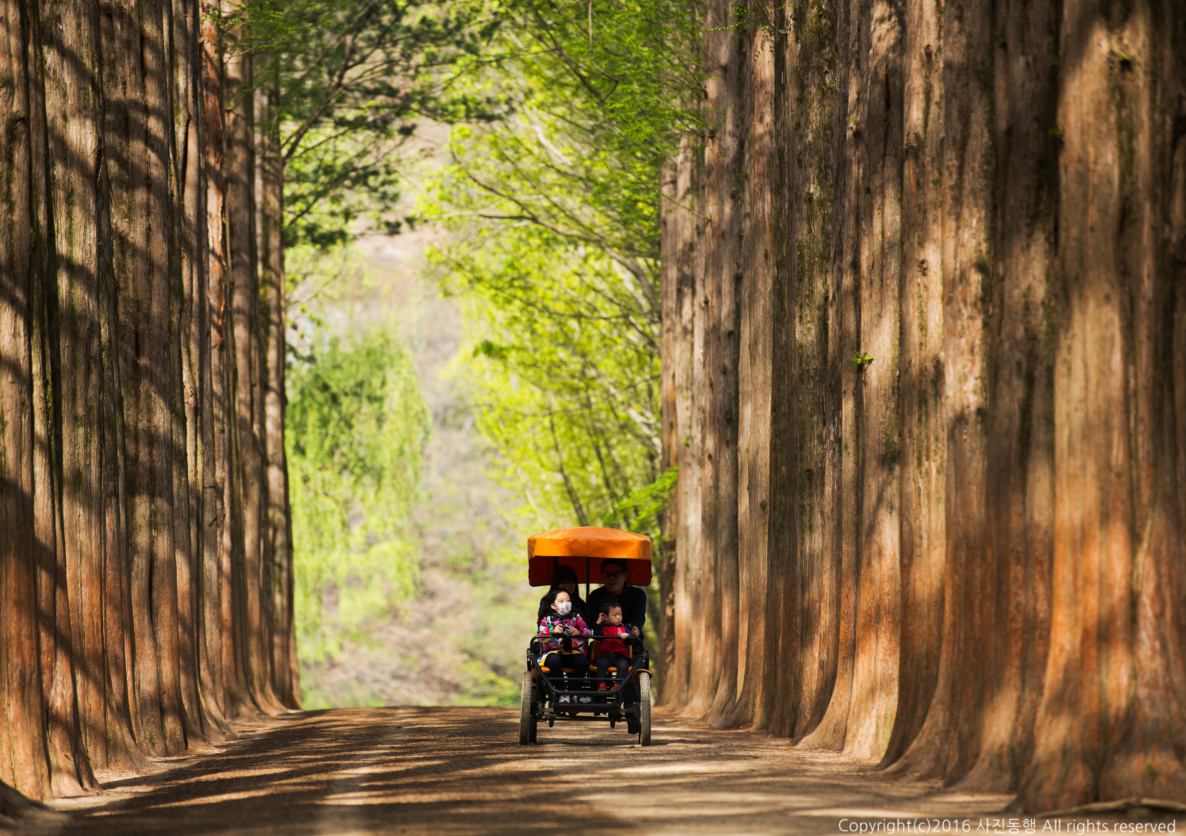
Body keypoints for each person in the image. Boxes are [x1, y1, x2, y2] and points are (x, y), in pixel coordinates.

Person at [537, 589, 592, 703]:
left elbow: (587, 632)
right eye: (561, 601)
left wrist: (579, 632)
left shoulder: (577, 618)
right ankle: (563, 693)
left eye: (568, 600)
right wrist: (552, 631)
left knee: (582, 661)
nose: (565, 603)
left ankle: (575, 693)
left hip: (572, 652)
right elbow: (540, 637)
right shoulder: (547, 620)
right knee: (554, 660)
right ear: (553, 605)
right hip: (552, 653)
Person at [586, 559, 645, 638]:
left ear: (625, 576)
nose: (611, 578)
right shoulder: (595, 596)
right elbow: (592, 622)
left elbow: (638, 616)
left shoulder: (637, 594)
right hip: (603, 643)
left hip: (630, 641)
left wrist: (635, 628)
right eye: (607, 574)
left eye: (616, 574)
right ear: (602, 577)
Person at [592, 599, 631, 691]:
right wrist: (598, 622)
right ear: (605, 617)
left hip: (620, 657)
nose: (618, 617)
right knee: (601, 664)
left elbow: (630, 642)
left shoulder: (624, 628)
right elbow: (597, 636)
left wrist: (628, 637)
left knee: (623, 665)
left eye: (620, 614)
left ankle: (618, 685)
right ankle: (601, 685)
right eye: (614, 615)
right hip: (606, 656)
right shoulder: (603, 628)